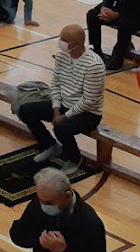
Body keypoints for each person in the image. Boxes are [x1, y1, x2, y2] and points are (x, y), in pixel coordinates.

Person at [18, 24, 104, 164]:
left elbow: (89, 100)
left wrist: (65, 116)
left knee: (61, 127)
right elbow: (56, 83)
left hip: (88, 113)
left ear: (75, 44)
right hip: (63, 105)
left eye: (63, 39)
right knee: (26, 110)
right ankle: (50, 145)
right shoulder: (61, 56)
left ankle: (74, 158)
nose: (60, 42)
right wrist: (56, 109)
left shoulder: (94, 65)